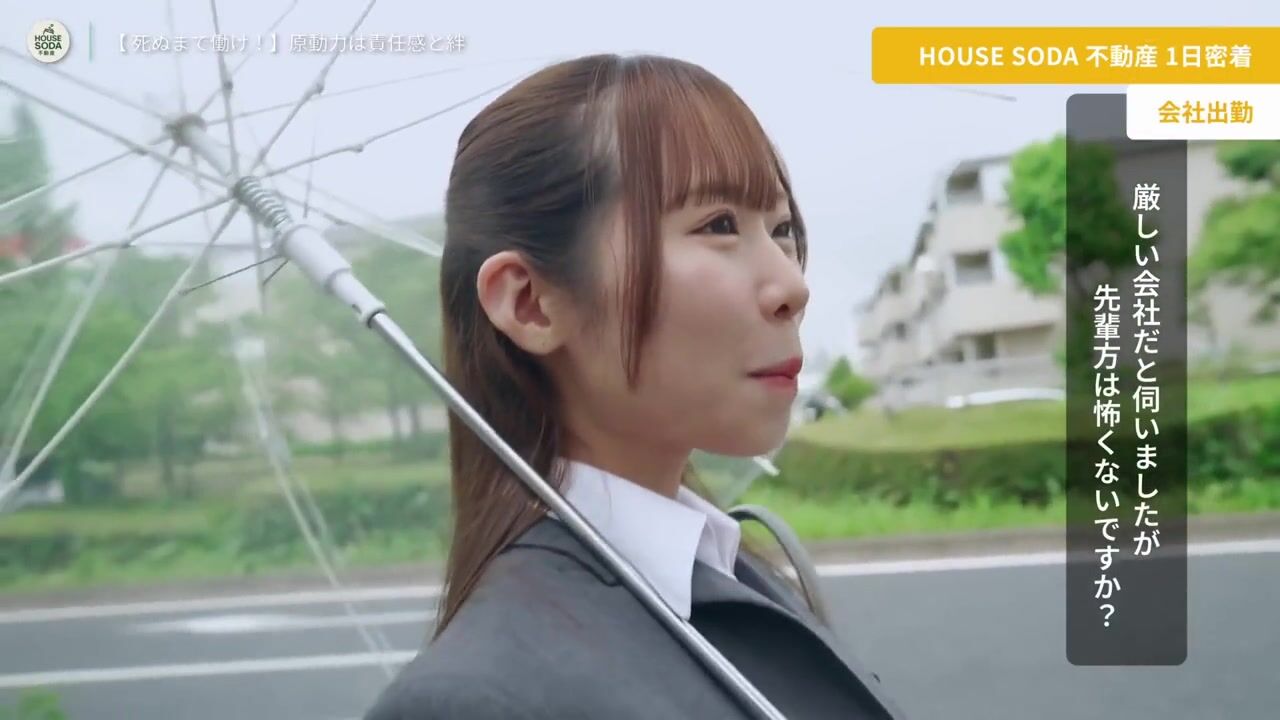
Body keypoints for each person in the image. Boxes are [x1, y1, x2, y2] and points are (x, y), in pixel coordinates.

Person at [363, 53, 906, 719]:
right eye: (718, 225)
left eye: (783, 228)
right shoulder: (481, 699)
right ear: (530, 303)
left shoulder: (726, 569)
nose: (792, 285)